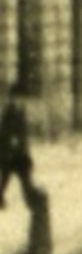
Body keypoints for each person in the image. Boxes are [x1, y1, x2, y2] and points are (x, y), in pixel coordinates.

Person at [0, 82, 34, 210]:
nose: (21, 101)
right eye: (19, 98)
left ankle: (30, 200)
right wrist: (10, 141)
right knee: (6, 177)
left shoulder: (21, 110)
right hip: (10, 152)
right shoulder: (9, 111)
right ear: (13, 97)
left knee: (24, 177)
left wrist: (26, 149)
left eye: (22, 98)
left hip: (19, 152)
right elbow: (4, 131)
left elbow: (23, 133)